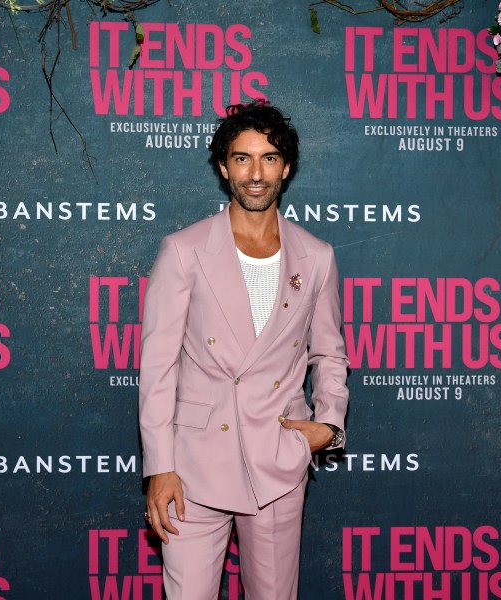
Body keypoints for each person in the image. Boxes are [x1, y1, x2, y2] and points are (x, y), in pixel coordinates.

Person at [138, 100, 349, 599]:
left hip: (277, 459)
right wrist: (159, 467)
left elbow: (330, 353)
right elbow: (158, 368)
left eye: (269, 158)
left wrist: (329, 424)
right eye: (242, 158)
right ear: (223, 166)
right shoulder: (184, 250)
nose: (256, 173)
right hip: (192, 467)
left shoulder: (317, 256)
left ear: (287, 167)